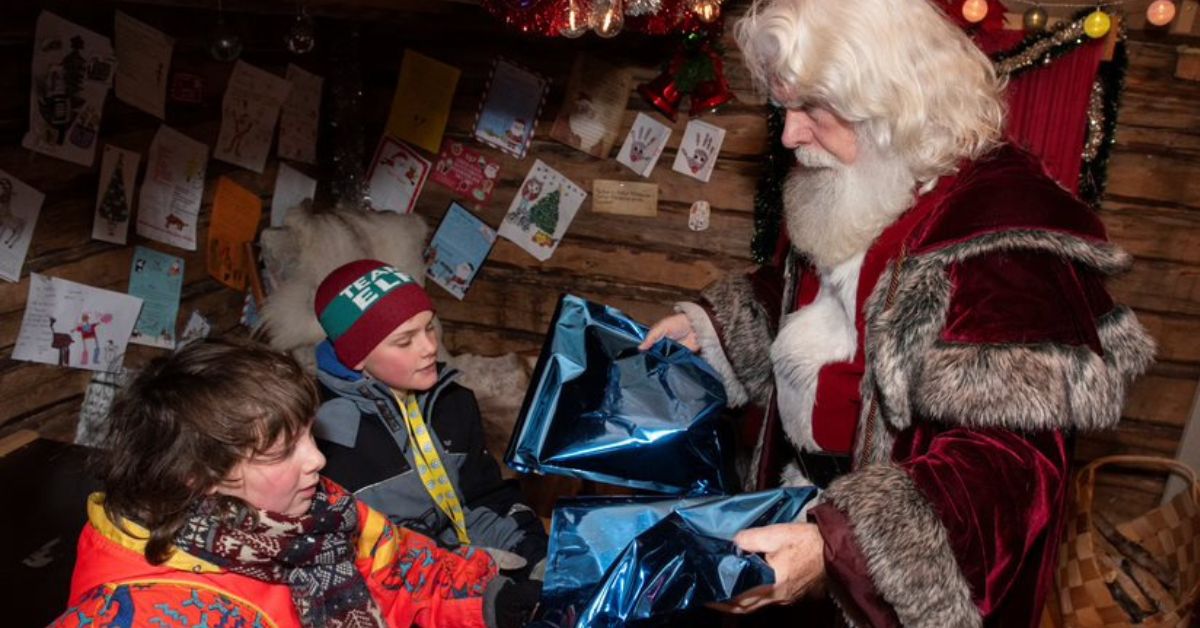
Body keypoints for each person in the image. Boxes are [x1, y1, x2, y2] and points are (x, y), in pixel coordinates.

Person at [640, 0, 1156, 625]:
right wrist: (714, 329)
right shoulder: (857, 176)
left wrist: (840, 546)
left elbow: (1005, 470)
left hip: (881, 581)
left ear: (889, 101)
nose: (789, 135)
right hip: (799, 512)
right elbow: (811, 299)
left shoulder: (999, 241)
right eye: (784, 108)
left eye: (812, 109)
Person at [53, 337, 539, 628]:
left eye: (309, 433)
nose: (318, 460)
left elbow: (403, 570)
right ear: (199, 476)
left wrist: (491, 602)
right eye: (282, 451)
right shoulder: (145, 612)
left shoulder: (310, 510)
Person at [312, 259, 548, 579]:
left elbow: (484, 498)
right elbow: (364, 562)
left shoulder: (453, 402)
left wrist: (533, 554)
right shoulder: (324, 441)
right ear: (356, 356)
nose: (430, 347)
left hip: (467, 570)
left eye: (429, 327)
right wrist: (469, 575)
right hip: (407, 590)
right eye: (405, 341)